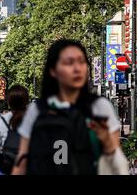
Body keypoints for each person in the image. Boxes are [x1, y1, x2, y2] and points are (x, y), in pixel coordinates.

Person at [12, 39, 128, 175]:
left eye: (81, 61)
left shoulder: (99, 107)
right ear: (53, 70)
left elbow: (118, 165)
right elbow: (22, 161)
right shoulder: (37, 110)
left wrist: (107, 141)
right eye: (69, 63)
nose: (77, 68)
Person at [0, 85, 29, 175]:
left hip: (6, 169)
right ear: (26, 101)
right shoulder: (36, 120)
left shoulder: (0, 121)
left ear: (9, 102)